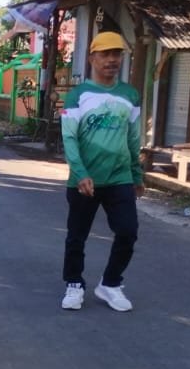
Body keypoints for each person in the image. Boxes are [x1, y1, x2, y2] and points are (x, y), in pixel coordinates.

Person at [59, 31, 145, 313]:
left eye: (116, 54)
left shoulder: (129, 95)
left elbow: (133, 138)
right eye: (105, 54)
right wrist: (80, 173)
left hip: (120, 177)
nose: (112, 60)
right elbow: (69, 138)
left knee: (128, 231)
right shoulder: (77, 96)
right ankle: (74, 284)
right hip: (84, 180)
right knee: (77, 236)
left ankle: (110, 284)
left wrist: (137, 174)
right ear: (92, 58)